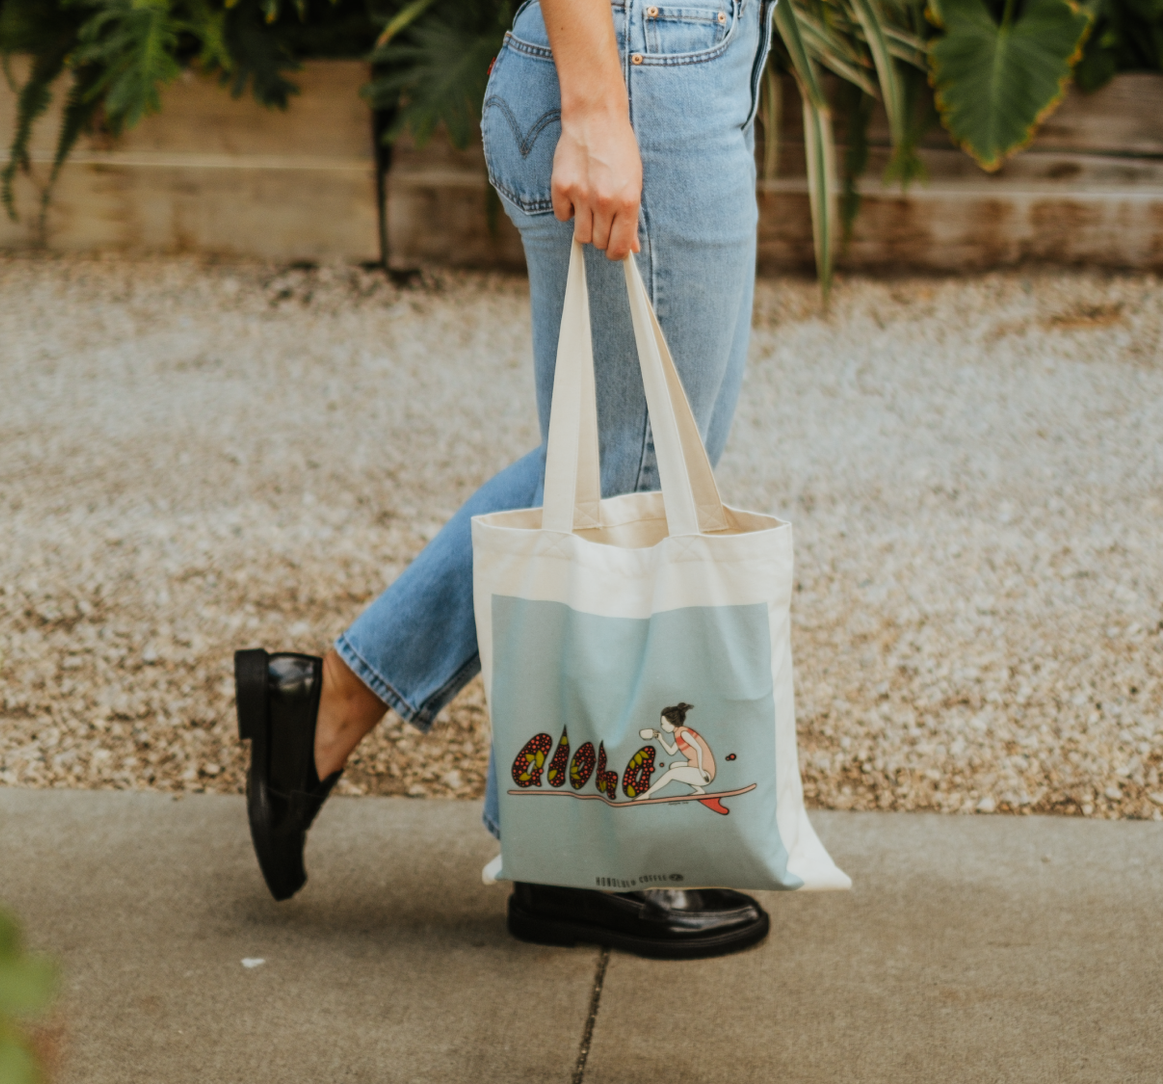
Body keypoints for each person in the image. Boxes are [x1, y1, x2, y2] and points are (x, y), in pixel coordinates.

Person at [234, 0, 776, 959]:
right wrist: (599, 107)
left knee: (621, 470)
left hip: (668, 56)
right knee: (633, 477)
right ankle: (566, 853)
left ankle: (350, 716)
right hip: (639, 61)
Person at [636, 703, 714, 798]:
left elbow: (699, 749)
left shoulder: (684, 733)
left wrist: (701, 771)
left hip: (705, 772)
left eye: (663, 724)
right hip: (696, 766)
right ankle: (699, 790)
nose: (662, 727)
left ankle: (647, 794)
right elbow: (671, 752)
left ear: (672, 723)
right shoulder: (678, 733)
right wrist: (660, 739)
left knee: (671, 774)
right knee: (673, 766)